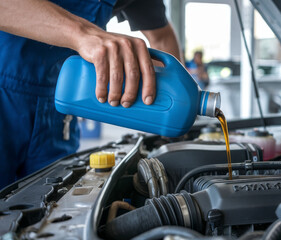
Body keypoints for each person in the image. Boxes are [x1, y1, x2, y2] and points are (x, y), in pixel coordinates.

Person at [0, 0, 182, 189]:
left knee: (51, 203)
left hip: (61, 105)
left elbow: (161, 36)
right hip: (4, 94)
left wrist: (178, 109)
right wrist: (80, 33)